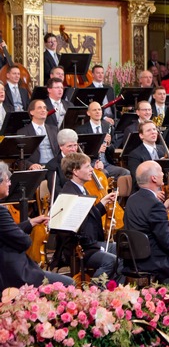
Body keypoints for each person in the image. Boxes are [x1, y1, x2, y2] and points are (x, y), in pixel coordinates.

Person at [0, 161, 74, 291]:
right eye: (7, 180)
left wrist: (31, 222)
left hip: (5, 269)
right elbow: (24, 242)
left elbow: (7, 232)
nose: (10, 184)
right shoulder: (1, 212)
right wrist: (27, 234)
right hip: (15, 273)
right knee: (69, 284)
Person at [55, 152, 121, 283]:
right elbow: (73, 229)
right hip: (81, 248)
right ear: (75, 171)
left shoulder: (81, 189)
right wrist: (98, 247)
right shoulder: (70, 194)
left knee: (124, 250)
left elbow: (88, 216)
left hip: (91, 243)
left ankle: (113, 289)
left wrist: (102, 202)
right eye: (87, 167)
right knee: (111, 261)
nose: (92, 169)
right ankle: (95, 290)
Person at [75, 102, 130, 179]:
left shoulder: (108, 126)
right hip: (91, 164)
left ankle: (118, 191)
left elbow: (112, 150)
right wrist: (96, 150)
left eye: (99, 109)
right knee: (104, 173)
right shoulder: (81, 130)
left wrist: (108, 144)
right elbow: (80, 152)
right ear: (88, 113)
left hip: (106, 163)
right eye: (94, 110)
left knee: (126, 173)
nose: (97, 112)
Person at [17, 99, 59, 169]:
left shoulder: (54, 130)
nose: (43, 110)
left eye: (45, 108)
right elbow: (19, 157)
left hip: (54, 166)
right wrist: (30, 165)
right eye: (40, 108)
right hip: (38, 168)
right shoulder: (22, 132)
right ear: (31, 112)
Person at [127, 121, 167, 190]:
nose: (153, 132)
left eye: (154, 129)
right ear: (141, 135)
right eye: (148, 130)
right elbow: (138, 181)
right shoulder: (134, 155)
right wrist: (154, 193)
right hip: (146, 192)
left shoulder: (163, 149)